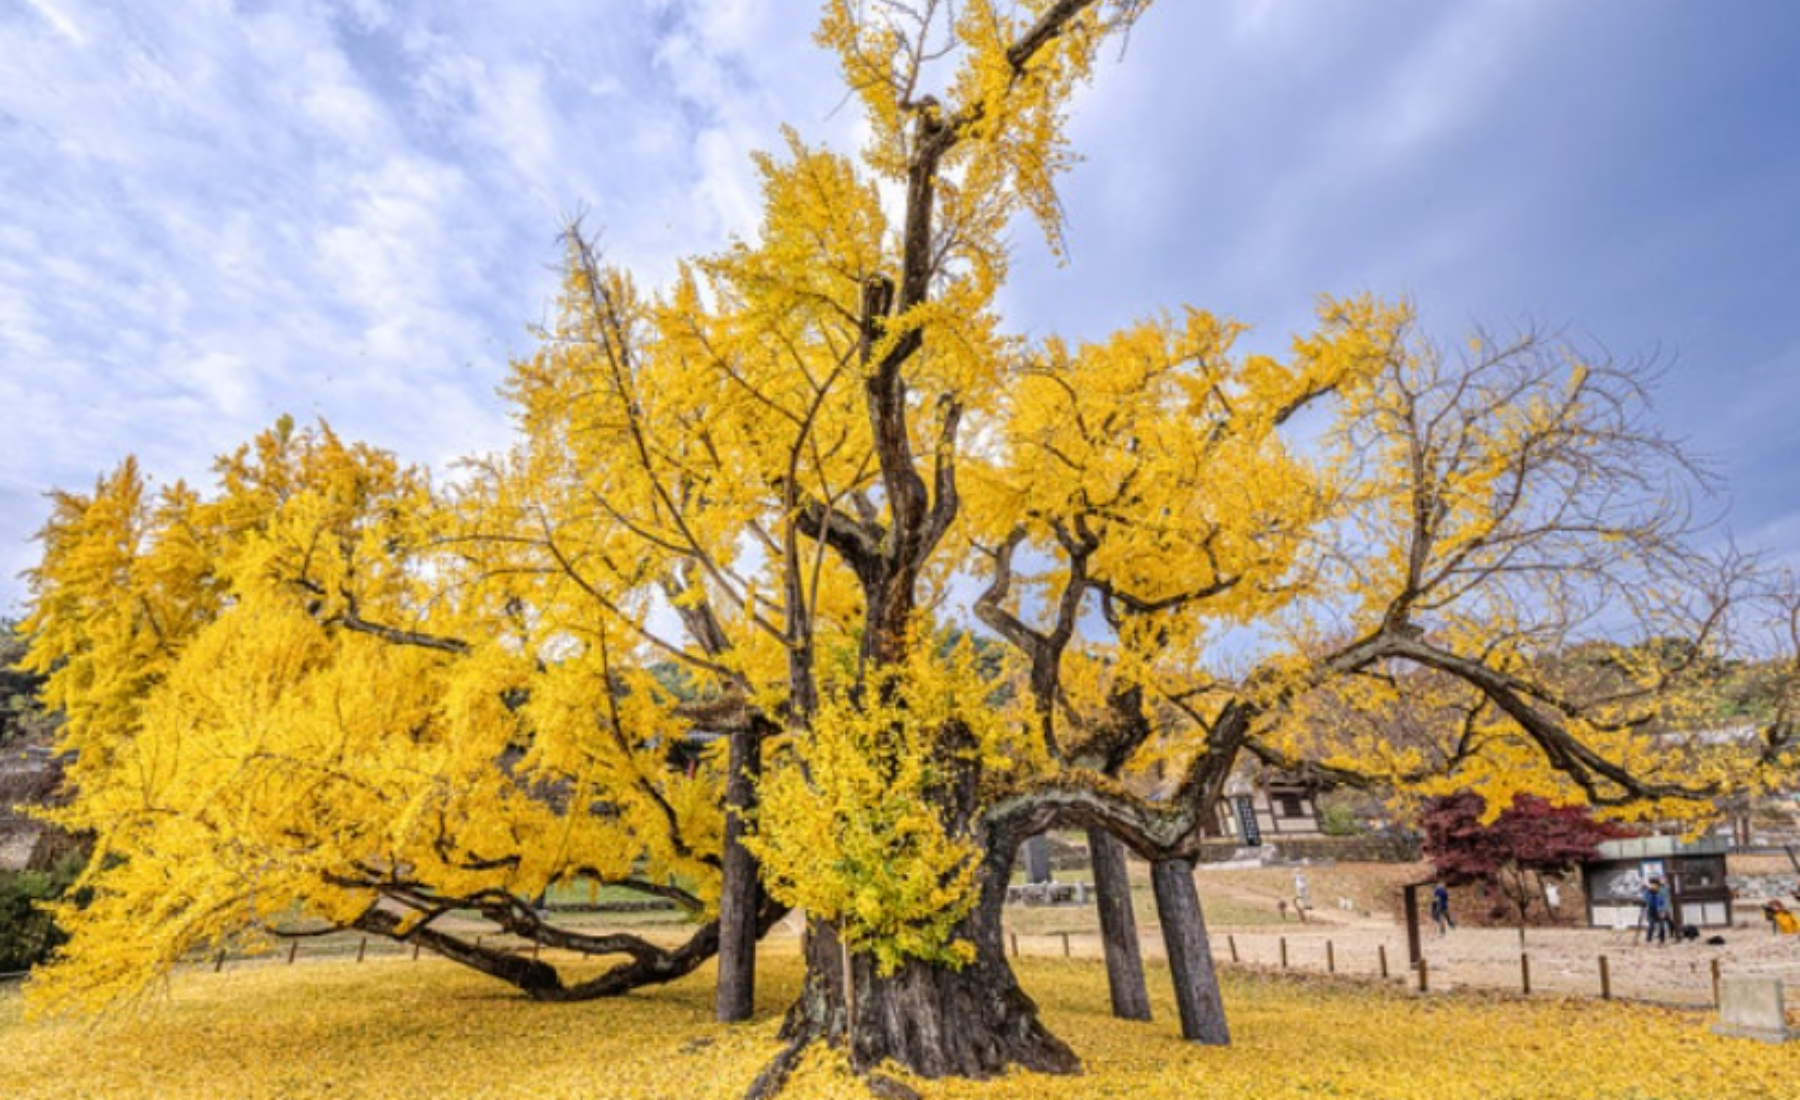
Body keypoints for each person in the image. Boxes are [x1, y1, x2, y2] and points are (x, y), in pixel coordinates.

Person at [1642, 877, 1672, 945]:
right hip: (1651, 910)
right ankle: (1648, 939)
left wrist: (1662, 910)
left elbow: (1662, 901)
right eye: (1651, 884)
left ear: (1658, 885)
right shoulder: (1648, 891)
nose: (1653, 886)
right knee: (1651, 925)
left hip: (1659, 910)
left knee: (1662, 925)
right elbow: (1646, 899)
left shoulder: (1661, 891)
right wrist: (1647, 890)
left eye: (1654, 885)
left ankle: (1662, 939)